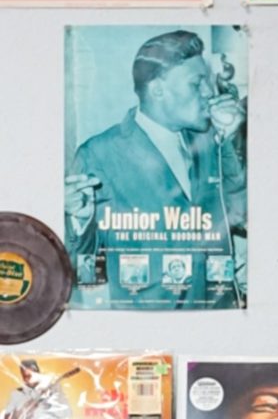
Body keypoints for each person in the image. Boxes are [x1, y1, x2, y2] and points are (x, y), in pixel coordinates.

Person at [64, 29, 246, 309]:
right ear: (158, 89)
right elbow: (83, 267)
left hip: (219, 313)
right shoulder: (98, 154)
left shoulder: (213, 138)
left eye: (208, 81)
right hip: (151, 322)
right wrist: (80, 220)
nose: (209, 92)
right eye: (196, 83)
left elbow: (240, 211)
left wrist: (230, 139)